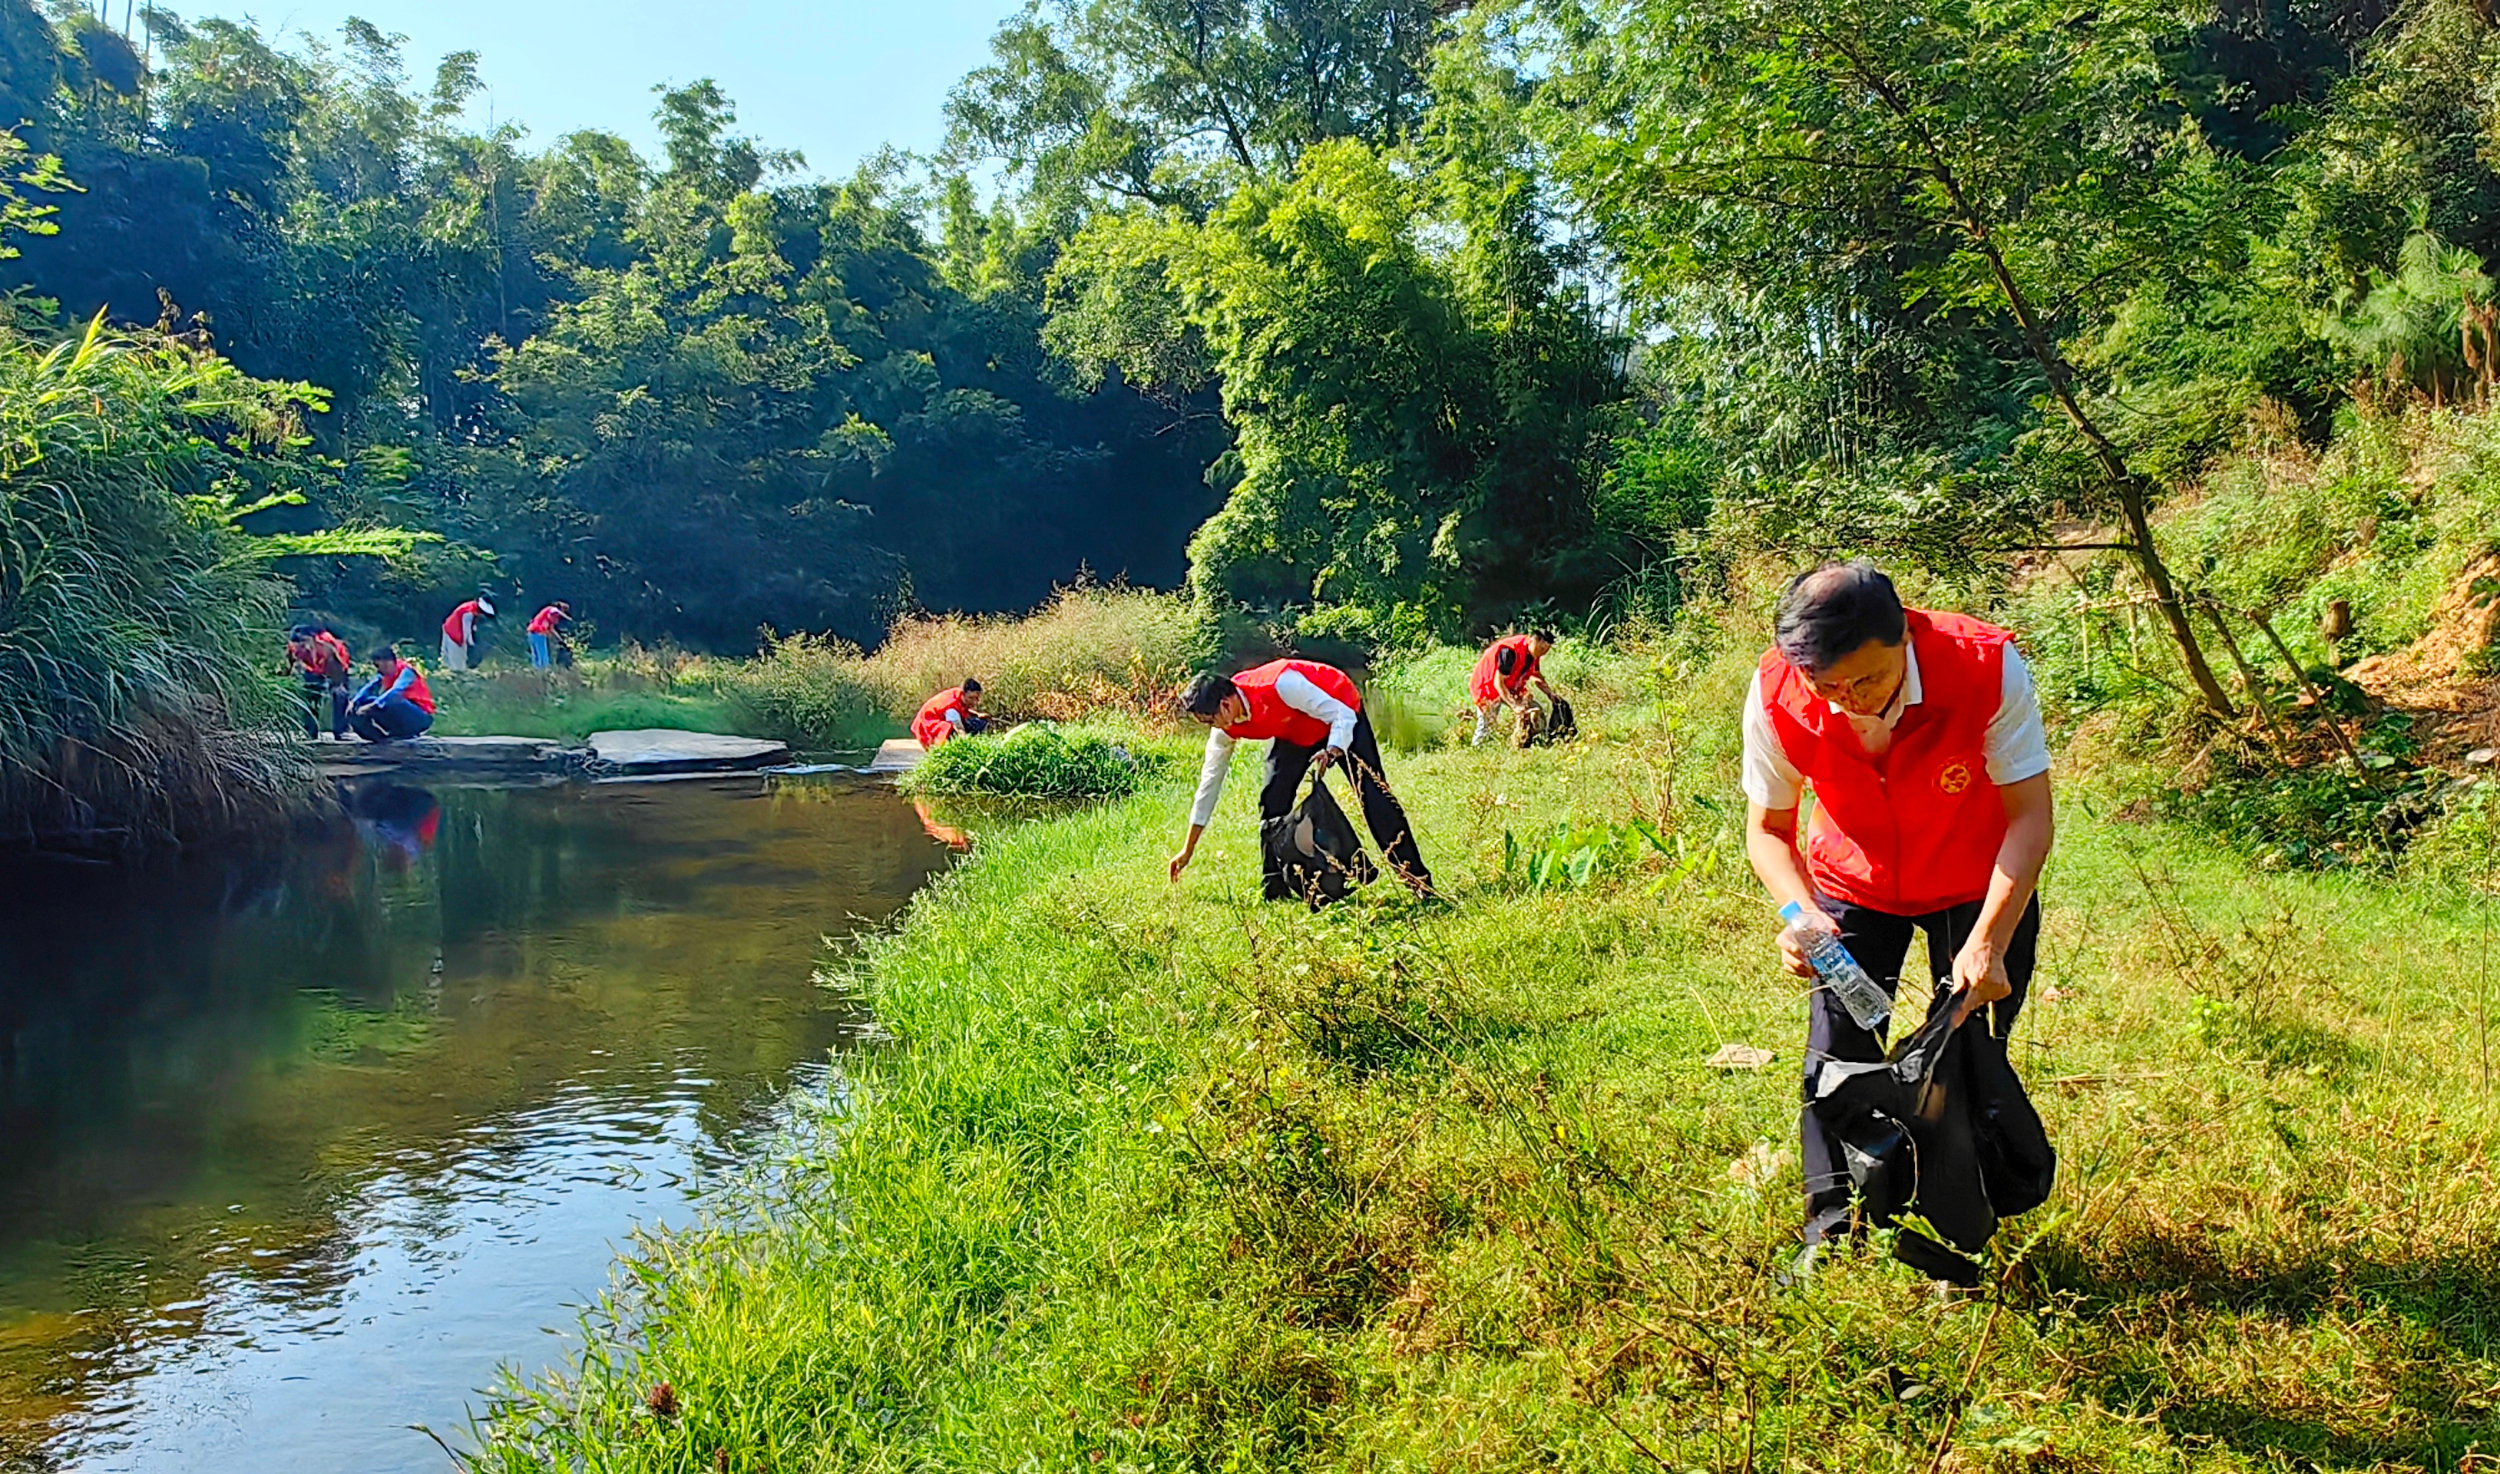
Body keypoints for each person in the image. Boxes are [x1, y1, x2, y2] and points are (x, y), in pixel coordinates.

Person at [1739, 562, 2054, 1261]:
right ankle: (1834, 1230)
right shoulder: (1776, 691)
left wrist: (1989, 941)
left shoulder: (1983, 667)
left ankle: (1963, 1228)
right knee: (1835, 1059)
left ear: (1905, 636)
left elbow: (2030, 817)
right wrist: (1801, 913)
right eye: (1827, 687)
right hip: (1854, 882)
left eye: (1868, 680)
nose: (1848, 700)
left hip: (1975, 879)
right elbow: (1766, 830)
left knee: (1965, 1056)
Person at [1169, 658, 1435, 899]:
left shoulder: (1282, 684)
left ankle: (1417, 880)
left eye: (1210, 721)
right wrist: (1188, 849)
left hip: (1340, 710)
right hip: (1294, 729)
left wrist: (1332, 751)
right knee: (1272, 799)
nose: (1212, 728)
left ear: (1225, 705)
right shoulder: (1225, 726)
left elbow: (1340, 714)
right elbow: (1209, 783)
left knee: (1374, 797)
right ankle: (1276, 887)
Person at [1470, 629, 1559, 745]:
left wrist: (1550, 693)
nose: (1542, 654)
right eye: (1541, 649)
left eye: (1546, 651)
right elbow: (1498, 683)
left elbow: (1536, 675)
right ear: (1533, 641)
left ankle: (1533, 743)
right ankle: (1476, 750)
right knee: (1487, 724)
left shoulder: (1533, 653)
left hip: (1511, 685)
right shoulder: (1509, 651)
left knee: (1536, 711)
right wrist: (1514, 705)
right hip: (1488, 685)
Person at [347, 645, 437, 742]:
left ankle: (405, 733)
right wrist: (354, 702)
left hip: (420, 716)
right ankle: (380, 739)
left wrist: (372, 706)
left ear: (387, 663)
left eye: (378, 666)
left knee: (392, 700)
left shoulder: (407, 672)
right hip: (401, 714)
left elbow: (396, 690)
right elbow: (369, 687)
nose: (378, 670)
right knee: (361, 704)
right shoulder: (382, 675)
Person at [285, 624, 354, 740]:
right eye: (299, 643)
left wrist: (335, 681)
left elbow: (337, 669)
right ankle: (310, 731)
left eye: (305, 641)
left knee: (339, 693)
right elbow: (289, 664)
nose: (303, 646)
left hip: (336, 667)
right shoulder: (294, 646)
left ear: (313, 638)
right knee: (309, 695)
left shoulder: (326, 644)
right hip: (312, 669)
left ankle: (341, 731)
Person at [911, 679, 988, 748]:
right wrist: (970, 746)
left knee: (980, 721)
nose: (974, 701)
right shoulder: (951, 707)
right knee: (953, 729)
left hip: (939, 718)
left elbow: (962, 709)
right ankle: (945, 749)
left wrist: (977, 714)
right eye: (971, 698)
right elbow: (959, 729)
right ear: (962, 694)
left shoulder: (957, 696)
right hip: (927, 725)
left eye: (977, 698)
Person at [439, 594, 496, 671]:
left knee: (445, 660)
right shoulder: (468, 614)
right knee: (458, 666)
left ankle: (443, 673)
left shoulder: (470, 605)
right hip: (455, 637)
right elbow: (466, 631)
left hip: (447, 628)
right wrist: (471, 643)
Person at [526, 602, 572, 668]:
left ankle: (537, 671)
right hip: (538, 633)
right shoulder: (550, 609)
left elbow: (552, 629)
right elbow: (555, 610)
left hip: (532, 634)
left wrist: (561, 640)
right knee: (543, 656)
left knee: (536, 656)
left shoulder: (549, 618)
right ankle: (543, 671)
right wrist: (567, 617)